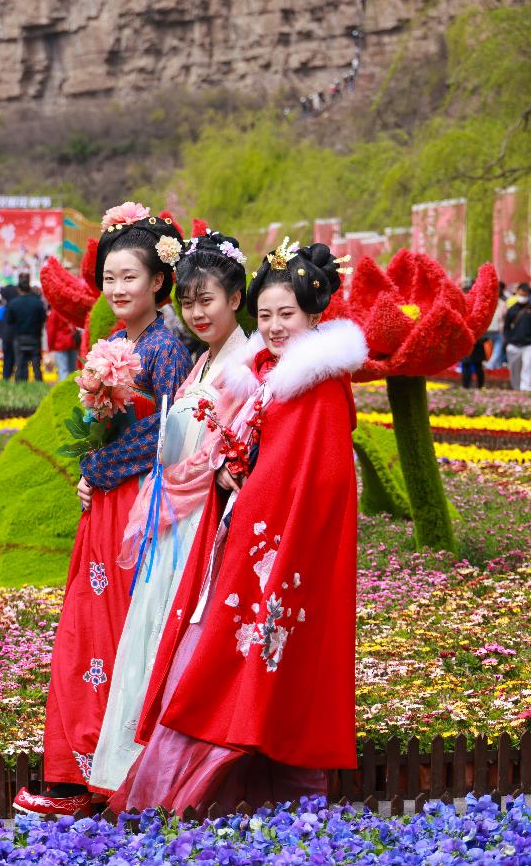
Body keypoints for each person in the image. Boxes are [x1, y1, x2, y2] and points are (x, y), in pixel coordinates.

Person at [113, 241, 365, 813]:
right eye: (267, 314)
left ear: (314, 314)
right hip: (250, 532)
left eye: (287, 314)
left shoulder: (318, 385)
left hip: (273, 546)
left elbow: (314, 480)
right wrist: (231, 472)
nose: (274, 326)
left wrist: (244, 490)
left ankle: (237, 789)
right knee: (224, 658)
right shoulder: (270, 376)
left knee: (234, 659)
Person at [14, 203, 191, 816]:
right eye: (109, 277)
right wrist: (90, 470)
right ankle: (73, 768)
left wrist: (98, 468)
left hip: (145, 506)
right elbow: (99, 425)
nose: (117, 288)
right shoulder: (111, 343)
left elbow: (168, 435)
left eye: (129, 277)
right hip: (107, 505)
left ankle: (114, 774)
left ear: (159, 281)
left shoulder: (169, 348)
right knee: (85, 627)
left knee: (124, 630)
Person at [88, 230, 258, 794]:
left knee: (176, 639)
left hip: (202, 521)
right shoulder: (202, 361)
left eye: (207, 300)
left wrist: (215, 468)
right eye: (188, 302)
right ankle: (129, 769)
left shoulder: (246, 364)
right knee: (150, 634)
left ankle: (167, 772)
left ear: (236, 298)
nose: (197, 313)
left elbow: (237, 447)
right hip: (174, 516)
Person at [6, 274, 47, 382]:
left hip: (19, 337)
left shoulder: (13, 303)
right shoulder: (38, 303)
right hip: (34, 336)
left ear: (19, 289)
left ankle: (20, 383)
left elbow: (9, 321)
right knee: (36, 364)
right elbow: (43, 318)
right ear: (29, 288)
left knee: (19, 363)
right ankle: (38, 383)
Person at [503, 283, 531, 391]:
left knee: (527, 365)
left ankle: (526, 388)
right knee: (514, 368)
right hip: (514, 344)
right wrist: (507, 341)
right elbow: (506, 327)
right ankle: (516, 387)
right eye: (521, 294)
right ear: (517, 293)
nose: (523, 297)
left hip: (529, 343)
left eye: (525, 295)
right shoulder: (512, 309)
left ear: (529, 295)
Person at [46, 299, 81, 380]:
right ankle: (73, 387)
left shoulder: (54, 312)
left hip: (60, 344)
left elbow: (51, 331)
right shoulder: (70, 311)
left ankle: (64, 387)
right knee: (73, 370)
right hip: (73, 342)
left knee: (63, 370)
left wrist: (50, 347)